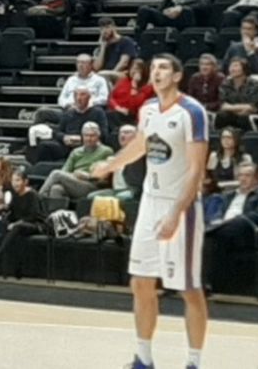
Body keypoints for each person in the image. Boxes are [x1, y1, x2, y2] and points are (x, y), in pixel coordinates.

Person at [89, 55, 210, 369]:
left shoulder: (193, 112)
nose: (156, 72)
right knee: (140, 281)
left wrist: (175, 213)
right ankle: (143, 358)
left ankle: (194, 362)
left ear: (178, 75)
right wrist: (110, 165)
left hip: (181, 204)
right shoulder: (147, 109)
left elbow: (197, 171)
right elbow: (141, 145)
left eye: (164, 67)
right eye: (154, 68)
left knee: (188, 287)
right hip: (150, 200)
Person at [203, 161, 258, 292]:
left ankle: (210, 283)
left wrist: (238, 219)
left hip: (248, 233)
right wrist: (218, 221)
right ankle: (204, 282)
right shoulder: (228, 195)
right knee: (211, 236)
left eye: (247, 175)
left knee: (233, 224)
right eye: (240, 175)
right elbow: (217, 214)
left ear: (256, 178)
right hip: (224, 231)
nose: (243, 178)